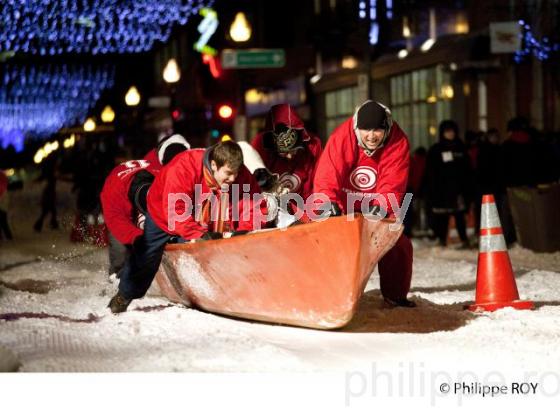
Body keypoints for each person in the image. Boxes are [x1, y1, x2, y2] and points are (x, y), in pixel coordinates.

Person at [108, 140, 263, 313]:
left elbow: (253, 203)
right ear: (213, 165)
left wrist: (244, 231)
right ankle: (124, 295)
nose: (233, 178)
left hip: (203, 207)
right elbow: (175, 211)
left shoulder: (239, 173)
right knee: (148, 256)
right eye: (228, 173)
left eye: (236, 173)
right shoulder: (184, 167)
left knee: (210, 245)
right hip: (164, 212)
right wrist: (199, 234)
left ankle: (216, 289)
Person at [313, 100, 415, 307]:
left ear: (385, 128)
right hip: (342, 203)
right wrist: (327, 202)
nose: (371, 135)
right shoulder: (342, 137)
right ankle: (324, 291)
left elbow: (394, 181)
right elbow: (327, 173)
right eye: (365, 129)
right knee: (324, 241)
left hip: (377, 204)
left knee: (398, 244)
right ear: (357, 128)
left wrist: (383, 206)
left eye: (377, 129)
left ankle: (395, 295)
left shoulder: (397, 141)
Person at [100, 134, 190, 277]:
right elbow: (120, 224)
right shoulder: (121, 190)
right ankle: (117, 276)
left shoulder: (168, 170)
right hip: (123, 206)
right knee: (122, 254)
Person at [251, 104, 322, 200]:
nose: (289, 156)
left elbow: (319, 180)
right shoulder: (260, 145)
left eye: (293, 150)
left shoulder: (312, 145)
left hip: (306, 206)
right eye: (283, 152)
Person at [0, 170, 12, 240]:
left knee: (3, 222)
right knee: (4, 222)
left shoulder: (2, 189)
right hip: (3, 207)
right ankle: (8, 236)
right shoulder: (4, 189)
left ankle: (7, 236)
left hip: (2, 207)